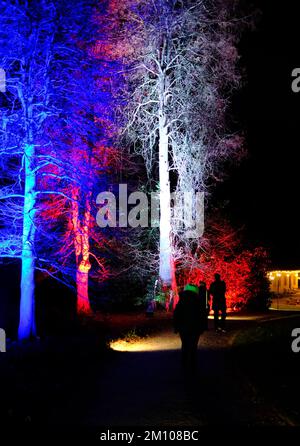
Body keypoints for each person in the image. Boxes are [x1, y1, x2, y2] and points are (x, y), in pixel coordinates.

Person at [173, 284, 207, 372]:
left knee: (185, 345)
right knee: (193, 346)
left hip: (183, 328)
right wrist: (202, 327)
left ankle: (184, 365)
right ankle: (193, 366)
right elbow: (202, 315)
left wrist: (176, 327)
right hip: (195, 328)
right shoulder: (198, 301)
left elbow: (176, 314)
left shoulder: (182, 301)